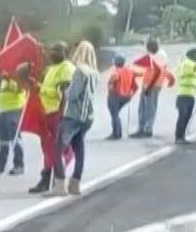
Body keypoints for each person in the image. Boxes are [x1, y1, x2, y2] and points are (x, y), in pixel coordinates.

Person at [30, 42, 74, 195]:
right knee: (47, 148)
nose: (52, 53)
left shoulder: (67, 68)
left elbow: (63, 93)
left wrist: (42, 88)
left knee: (56, 148)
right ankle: (46, 180)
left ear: (65, 52)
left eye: (57, 50)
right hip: (47, 111)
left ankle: (56, 181)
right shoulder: (51, 69)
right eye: (52, 50)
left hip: (58, 112)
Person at [56, 41, 99, 195]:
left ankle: (60, 185)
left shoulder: (80, 71)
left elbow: (73, 95)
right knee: (79, 149)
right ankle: (75, 184)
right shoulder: (95, 72)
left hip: (74, 115)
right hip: (88, 116)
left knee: (58, 148)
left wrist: (65, 90)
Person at [0, 61, 29, 175]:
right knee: (3, 139)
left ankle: (19, 165)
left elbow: (20, 88)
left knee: (15, 138)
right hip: (4, 110)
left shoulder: (19, 78)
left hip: (14, 110)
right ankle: (0, 165)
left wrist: (9, 78)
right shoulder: (5, 78)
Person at [131, 36, 169, 137]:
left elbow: (156, 72)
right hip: (147, 82)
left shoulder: (159, 55)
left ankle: (147, 129)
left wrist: (149, 86)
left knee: (150, 106)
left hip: (153, 84)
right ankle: (141, 127)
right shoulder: (156, 53)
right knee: (143, 106)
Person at [175, 48, 196, 144]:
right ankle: (179, 138)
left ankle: (182, 137)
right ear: (192, 55)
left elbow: (195, 75)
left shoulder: (192, 65)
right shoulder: (187, 63)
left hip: (190, 95)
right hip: (183, 95)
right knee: (183, 116)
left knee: (187, 117)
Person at [106, 53, 137, 140]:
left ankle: (116, 134)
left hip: (116, 96)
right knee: (116, 114)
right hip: (126, 97)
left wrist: (111, 93)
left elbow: (111, 85)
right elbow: (135, 86)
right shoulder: (129, 71)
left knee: (114, 114)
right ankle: (118, 133)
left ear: (116, 62)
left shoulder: (116, 72)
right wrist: (131, 94)